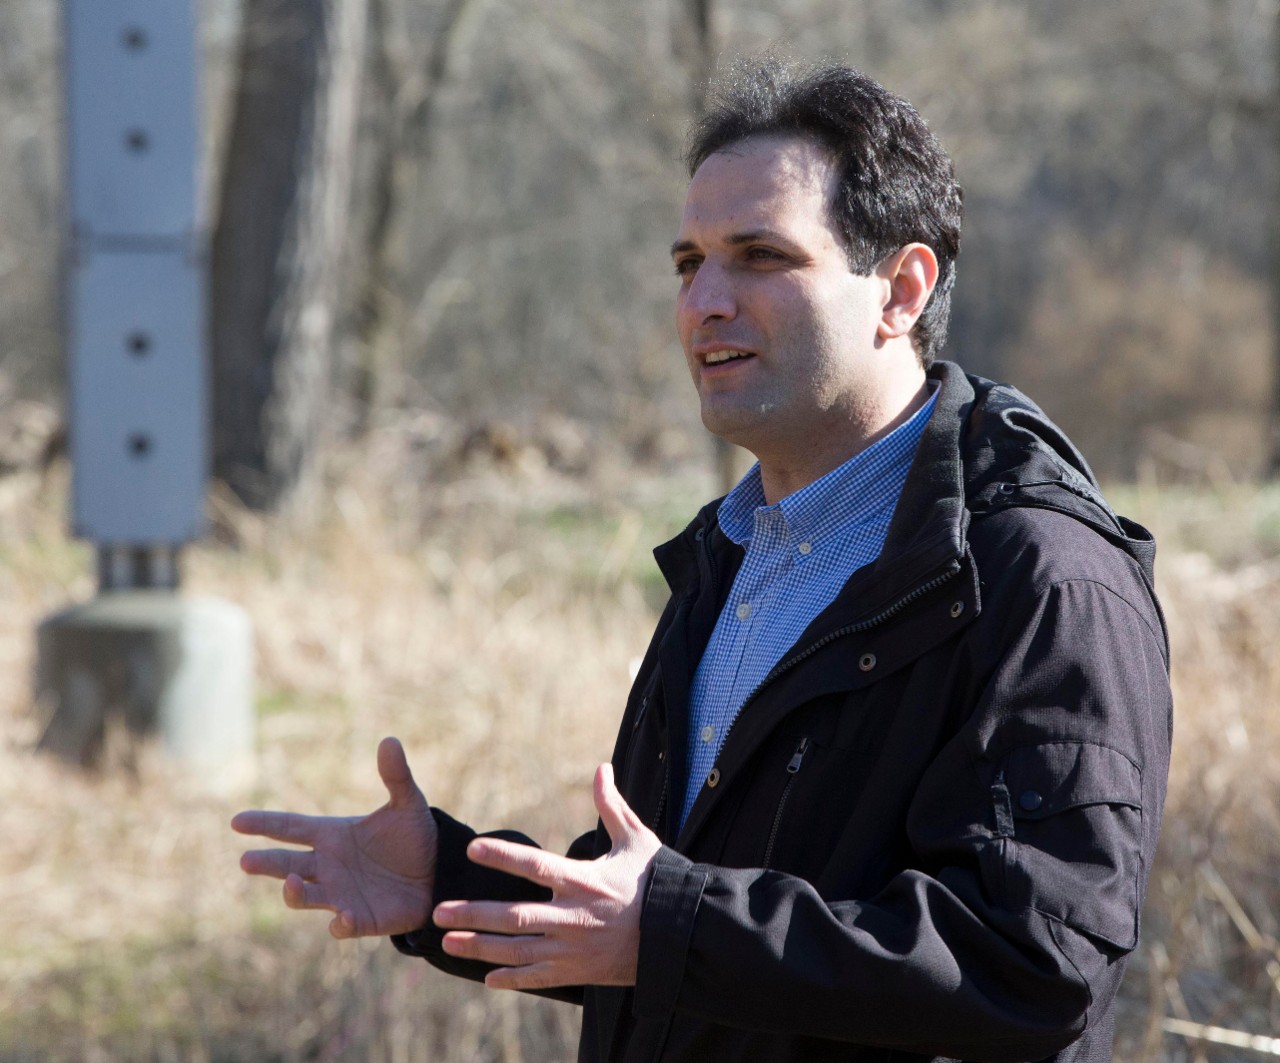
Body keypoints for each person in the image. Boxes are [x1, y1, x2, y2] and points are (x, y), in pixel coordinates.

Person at [233, 57, 1172, 1063]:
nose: (703, 304)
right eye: (688, 264)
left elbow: (1032, 967)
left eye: (759, 257)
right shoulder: (731, 553)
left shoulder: (1036, 580)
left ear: (900, 289)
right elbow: (682, 919)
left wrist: (671, 924)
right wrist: (451, 884)